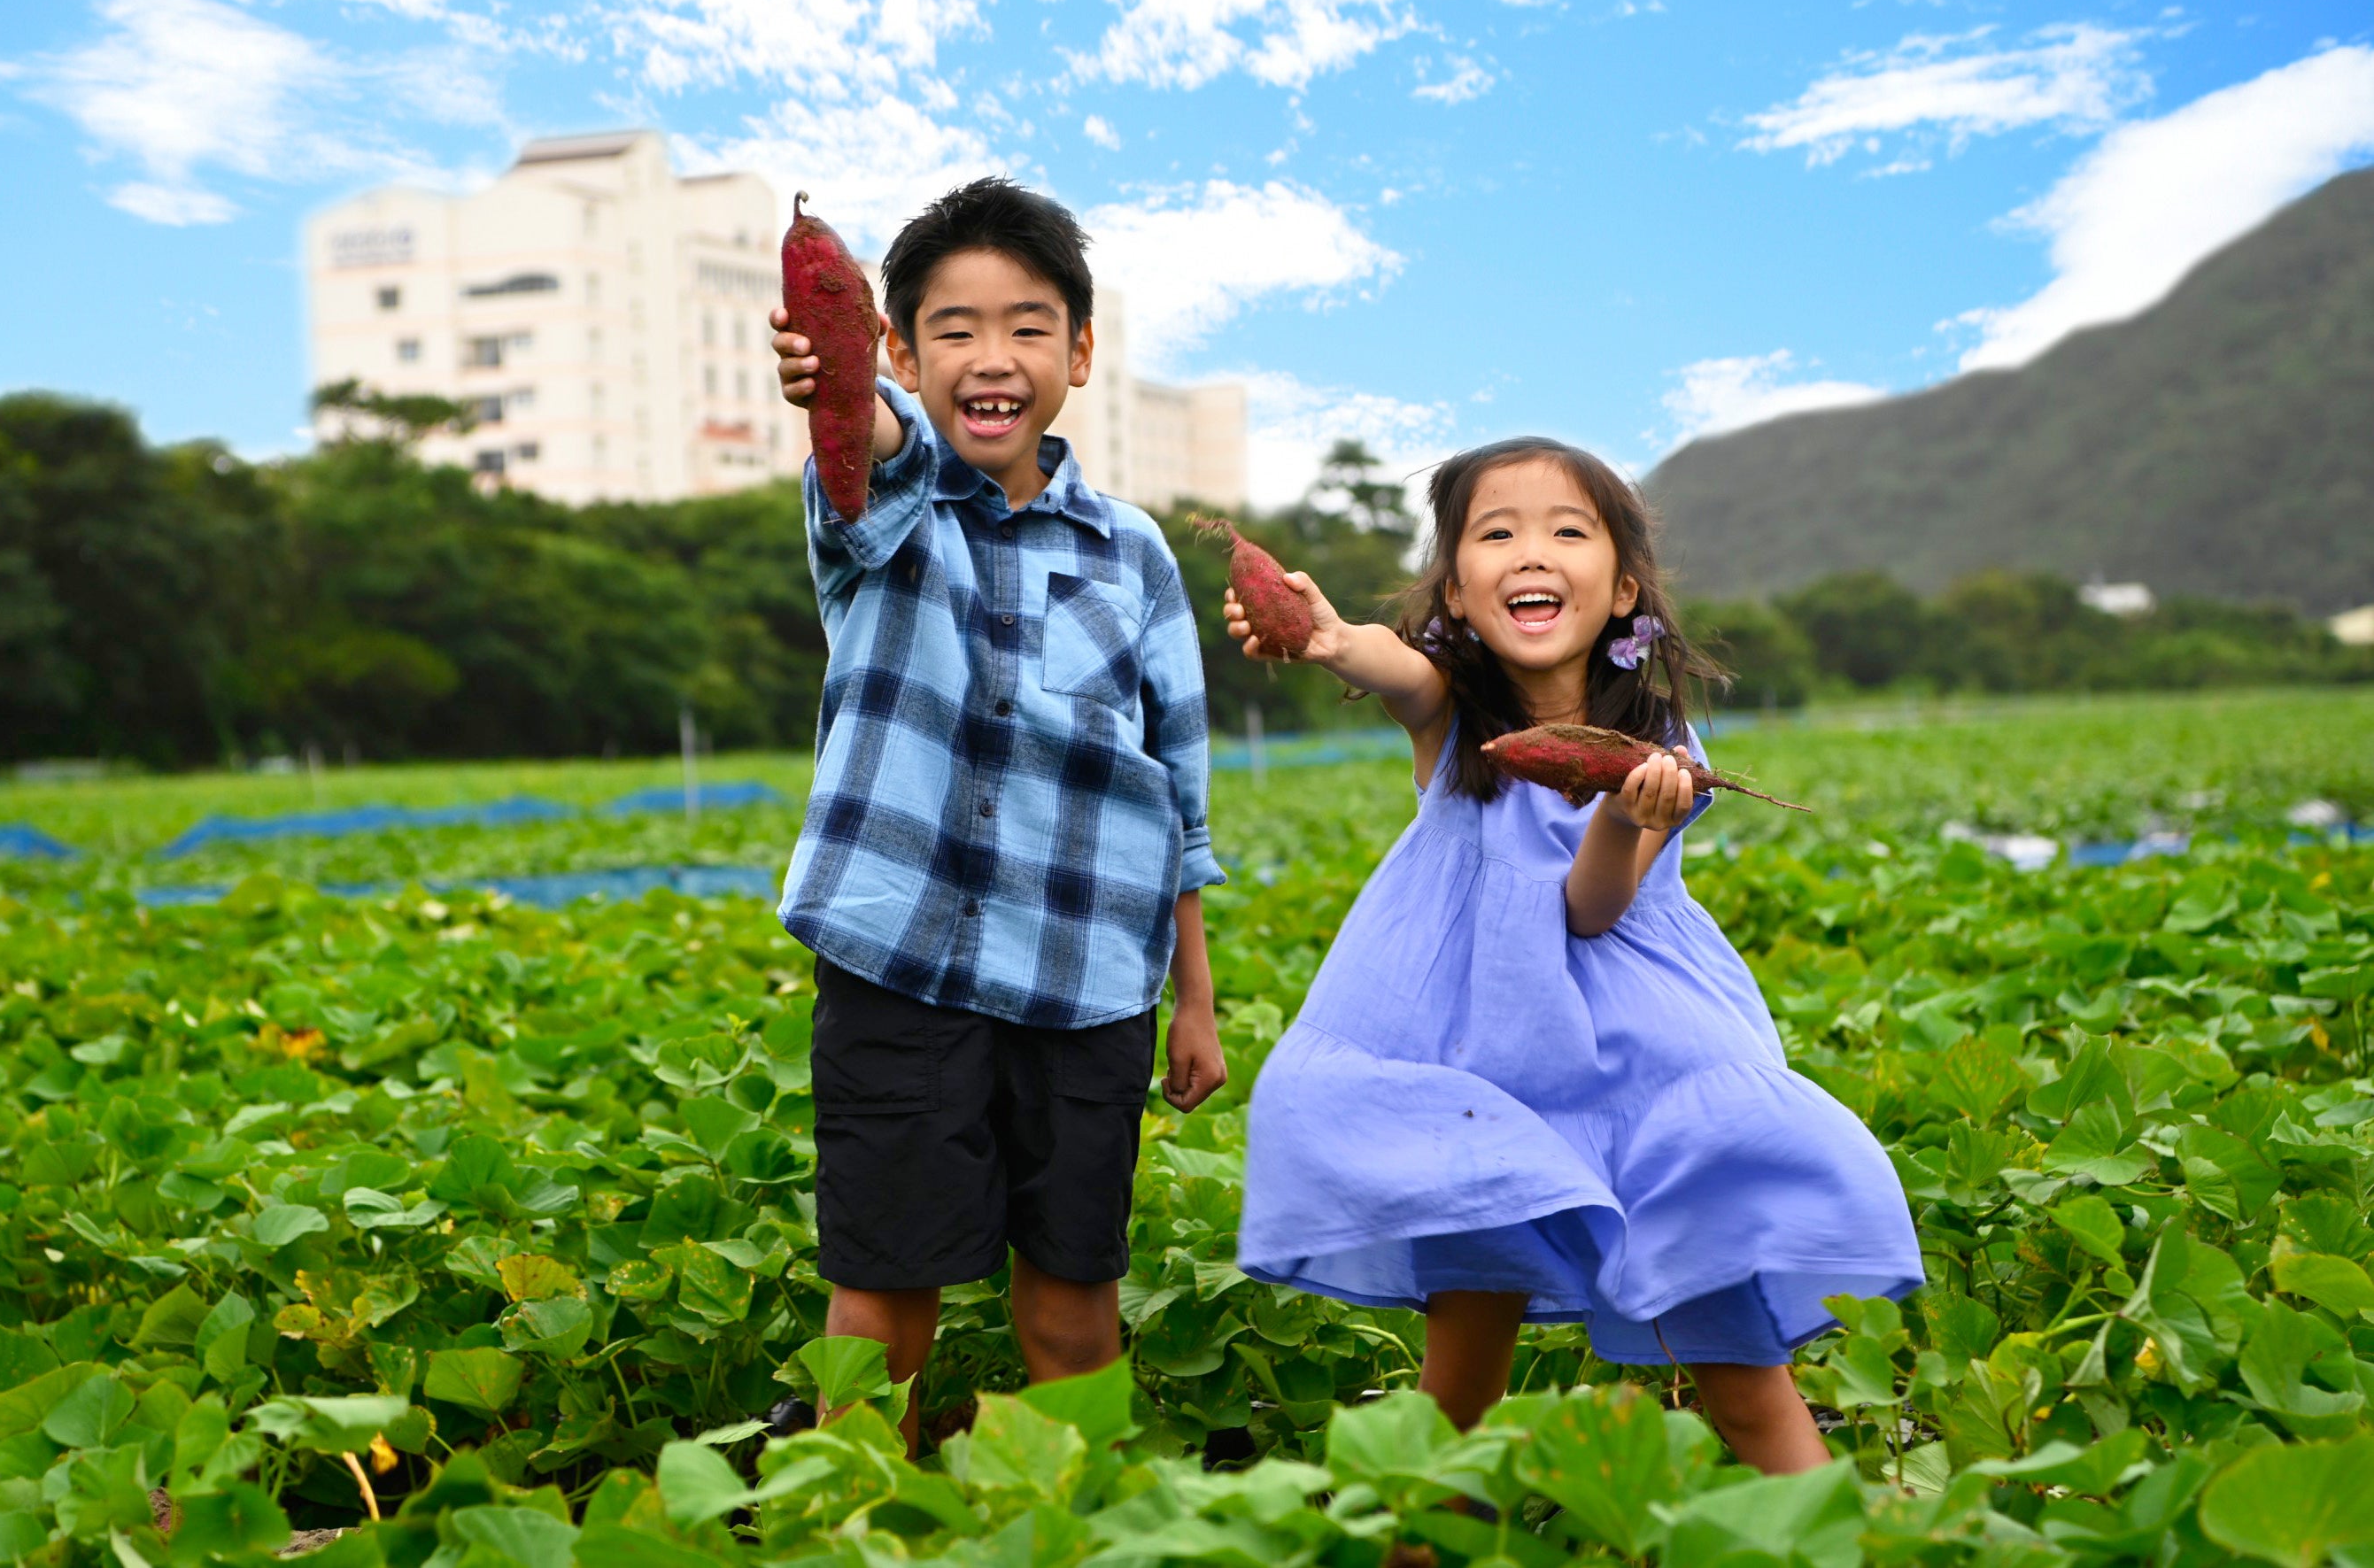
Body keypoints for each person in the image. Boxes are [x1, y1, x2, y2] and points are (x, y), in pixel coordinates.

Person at [1225, 436, 1922, 1471]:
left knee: (1741, 1376)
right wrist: (1330, 640)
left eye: (1567, 531)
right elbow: (1390, 665)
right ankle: (1419, 1539)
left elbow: (1593, 911)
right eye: (1495, 534)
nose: (1531, 552)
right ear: (1455, 592)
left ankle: (1836, 1534)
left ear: (1624, 587)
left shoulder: (1665, 746)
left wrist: (1623, 816)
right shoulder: (1451, 712)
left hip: (1644, 1060)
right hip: (1487, 1074)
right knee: (1460, 1385)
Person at [769, 178, 1229, 1451]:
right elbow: (876, 444)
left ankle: (1074, 1511)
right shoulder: (875, 504)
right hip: (900, 960)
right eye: (954, 329)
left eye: (1028, 327)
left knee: (1074, 1300)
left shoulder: (1134, 553)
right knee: (882, 1293)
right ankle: (850, 1506)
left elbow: (1176, 788)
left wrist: (1193, 996)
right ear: (904, 352)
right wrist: (837, 383)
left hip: (1088, 979)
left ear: (1078, 353)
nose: (992, 358)